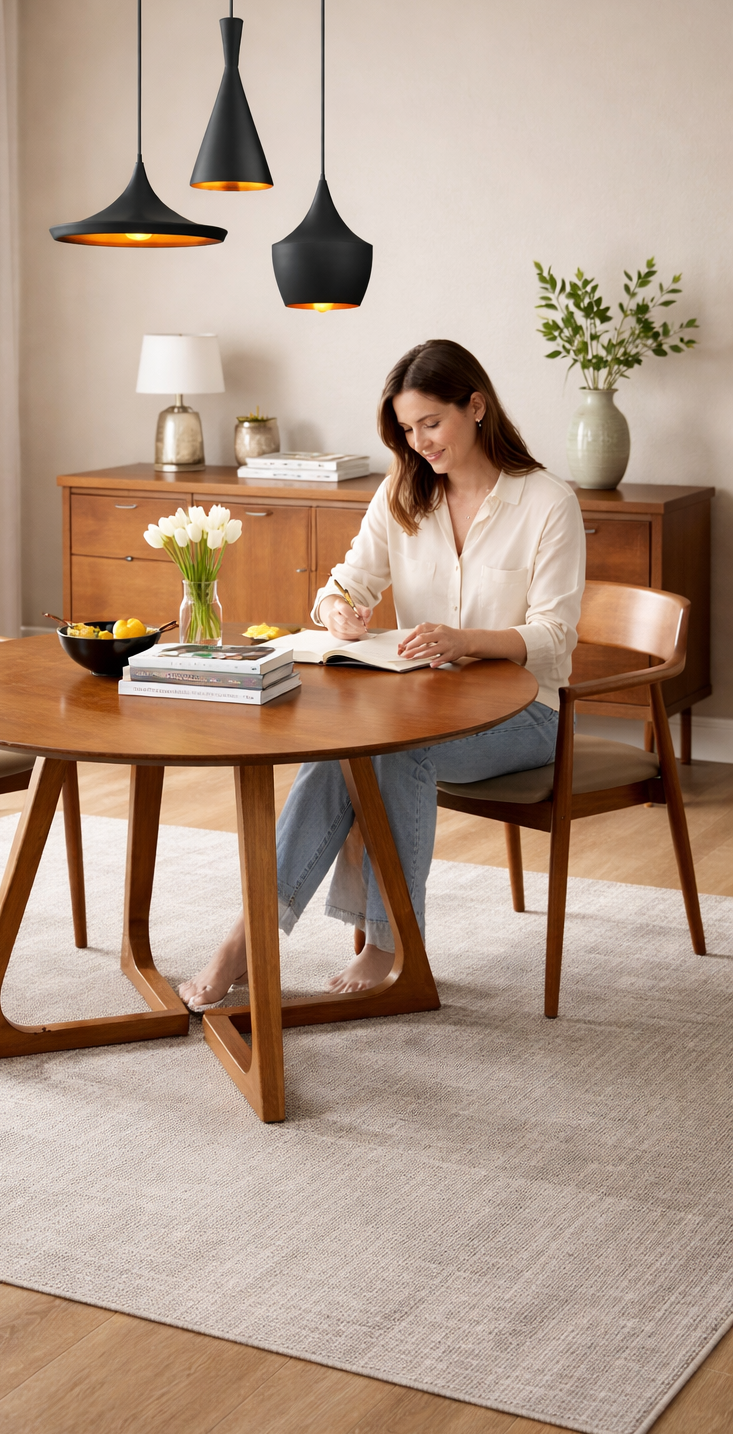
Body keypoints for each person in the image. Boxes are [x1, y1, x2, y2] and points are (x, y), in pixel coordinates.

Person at [179, 338, 585, 1008]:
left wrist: (465, 640)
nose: (419, 441)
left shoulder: (546, 502)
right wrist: (338, 610)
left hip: (527, 715)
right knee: (341, 750)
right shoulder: (404, 492)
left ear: (475, 406)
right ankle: (250, 940)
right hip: (424, 704)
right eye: (406, 429)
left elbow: (556, 635)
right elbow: (343, 581)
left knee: (394, 756)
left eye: (432, 422)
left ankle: (392, 947)